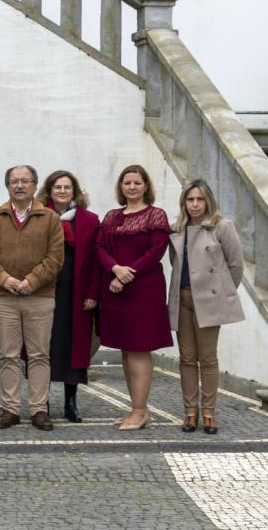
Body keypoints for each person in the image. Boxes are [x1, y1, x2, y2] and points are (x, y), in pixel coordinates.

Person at [0, 165, 64, 432]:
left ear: (35, 185)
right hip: (4, 296)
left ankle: (39, 409)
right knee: (8, 355)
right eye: (14, 181)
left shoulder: (50, 218)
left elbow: (55, 257)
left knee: (39, 355)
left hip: (40, 296)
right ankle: (10, 409)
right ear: (7, 186)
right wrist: (4, 279)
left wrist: (32, 281)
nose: (19, 185)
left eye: (25, 181)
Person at [96, 164, 172, 431]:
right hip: (116, 290)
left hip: (144, 290)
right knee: (126, 351)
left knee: (139, 349)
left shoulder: (156, 215)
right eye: (127, 183)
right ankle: (137, 409)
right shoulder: (112, 216)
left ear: (146, 186)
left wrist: (126, 275)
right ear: (121, 187)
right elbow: (100, 247)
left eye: (137, 183)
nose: (132, 187)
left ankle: (139, 411)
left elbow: (155, 252)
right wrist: (115, 269)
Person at [167, 179, 243, 436]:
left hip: (209, 300)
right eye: (190, 199)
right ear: (184, 202)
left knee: (208, 358)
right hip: (182, 298)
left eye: (200, 199)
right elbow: (175, 264)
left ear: (208, 200)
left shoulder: (222, 226)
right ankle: (190, 411)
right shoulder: (177, 229)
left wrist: (221, 294)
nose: (195, 204)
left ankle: (209, 412)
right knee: (187, 358)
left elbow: (235, 265)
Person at [37, 170, 100, 423]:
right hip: (45, 290)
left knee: (74, 347)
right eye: (58, 187)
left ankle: (70, 403)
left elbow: (96, 261)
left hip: (77, 292)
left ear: (75, 191)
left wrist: (93, 293)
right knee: (44, 345)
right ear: (49, 191)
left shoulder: (90, 220)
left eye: (67, 187)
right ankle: (41, 402)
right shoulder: (38, 216)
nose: (62, 191)